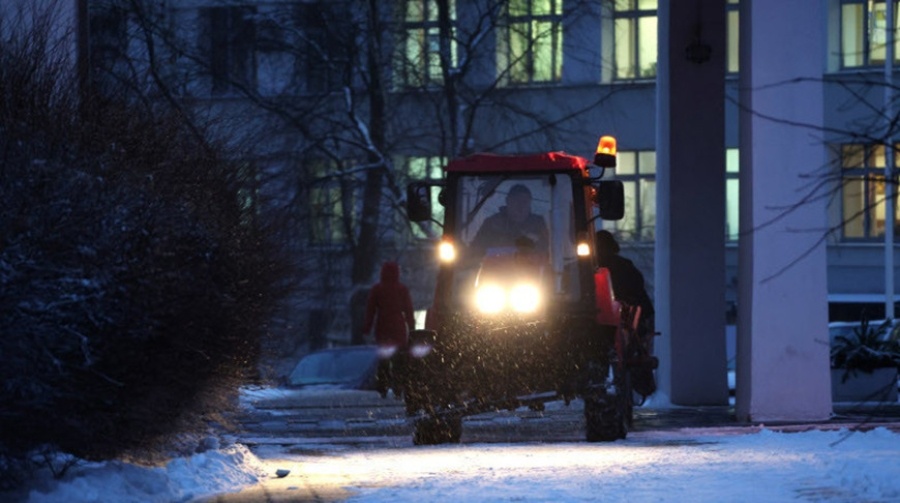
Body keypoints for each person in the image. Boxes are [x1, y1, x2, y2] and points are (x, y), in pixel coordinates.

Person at [595, 229, 657, 399]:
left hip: (603, 325)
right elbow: (639, 297)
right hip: (623, 325)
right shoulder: (624, 266)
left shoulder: (585, 269)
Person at [362, 261, 416, 399]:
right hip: (398, 329)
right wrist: (411, 327)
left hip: (383, 328)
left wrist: (366, 328)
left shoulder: (377, 289)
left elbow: (370, 311)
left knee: (384, 361)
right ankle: (399, 388)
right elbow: (409, 311)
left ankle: (383, 388)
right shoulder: (402, 289)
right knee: (399, 362)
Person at [470, 183, 549, 255]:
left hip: (532, 268)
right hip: (496, 269)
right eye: (516, 200)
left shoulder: (538, 223)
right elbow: (476, 249)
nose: (520, 206)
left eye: (525, 201)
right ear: (508, 201)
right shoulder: (492, 223)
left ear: (529, 203)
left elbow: (548, 248)